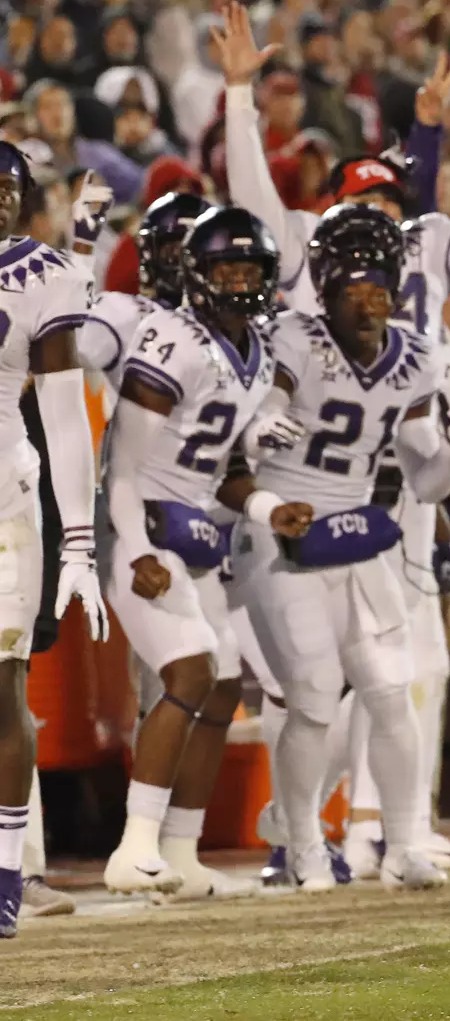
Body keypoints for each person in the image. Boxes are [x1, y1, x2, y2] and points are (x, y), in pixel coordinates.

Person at [231, 203, 450, 893]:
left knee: (393, 691)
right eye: (351, 289)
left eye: (378, 289)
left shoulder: (417, 356)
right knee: (309, 699)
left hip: (356, 530)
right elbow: (264, 407)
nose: (367, 303)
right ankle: (303, 844)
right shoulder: (295, 338)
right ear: (326, 288)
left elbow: (425, 477)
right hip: (279, 529)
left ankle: (402, 842)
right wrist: (265, 425)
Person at [101, 207, 313, 899]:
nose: (238, 281)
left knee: (223, 685)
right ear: (196, 273)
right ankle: (134, 848)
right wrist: (132, 549)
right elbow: (122, 469)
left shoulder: (254, 351)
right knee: (189, 672)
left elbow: (226, 471)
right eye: (226, 267)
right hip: (141, 525)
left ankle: (181, 851)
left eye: (249, 269)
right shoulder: (170, 337)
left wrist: (265, 508)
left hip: (195, 528)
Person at [0, 142, 108, 937]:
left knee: (3, 690)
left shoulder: (43, 274)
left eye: (9, 188)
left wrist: (79, 544)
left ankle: (6, 875)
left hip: (5, 500)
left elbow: (67, 418)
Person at [77, 193, 213, 382]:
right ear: (150, 252)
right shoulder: (121, 314)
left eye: (194, 248)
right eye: (173, 249)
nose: (185, 261)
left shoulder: (246, 333)